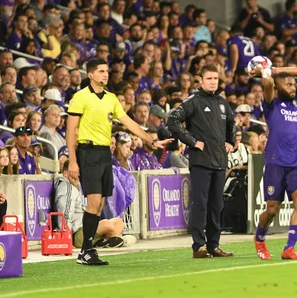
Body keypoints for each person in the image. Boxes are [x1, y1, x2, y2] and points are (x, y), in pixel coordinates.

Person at [66, 58, 171, 266]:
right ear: (91, 75)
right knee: (94, 202)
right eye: (101, 71)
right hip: (88, 151)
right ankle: (86, 251)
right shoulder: (80, 97)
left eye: (106, 71)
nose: (105, 74)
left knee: (101, 203)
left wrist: (151, 139)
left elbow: (129, 122)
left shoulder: (111, 98)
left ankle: (88, 249)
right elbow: (70, 131)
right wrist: (72, 161)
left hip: (105, 151)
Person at [167, 64, 236, 259]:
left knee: (217, 205)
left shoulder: (223, 103)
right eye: (209, 78)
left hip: (220, 161)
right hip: (201, 162)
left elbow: (232, 124)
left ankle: (214, 245)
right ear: (201, 80)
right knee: (200, 204)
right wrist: (192, 142)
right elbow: (172, 120)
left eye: (215, 78)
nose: (213, 81)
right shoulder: (193, 101)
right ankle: (199, 247)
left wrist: (230, 142)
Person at [251, 65, 297, 261]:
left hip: (296, 163)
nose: (293, 88)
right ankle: (260, 238)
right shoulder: (272, 104)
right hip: (275, 163)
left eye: (294, 84)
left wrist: (277, 68)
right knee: (272, 209)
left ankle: (289, 248)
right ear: (278, 87)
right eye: (288, 85)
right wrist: (268, 72)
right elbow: (267, 83)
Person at [55, 160, 135, 250]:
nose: (78, 175)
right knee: (106, 224)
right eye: (75, 172)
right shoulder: (67, 188)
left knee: (118, 222)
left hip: (83, 229)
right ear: (65, 173)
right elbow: (64, 214)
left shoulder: (74, 187)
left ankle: (100, 242)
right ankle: (106, 241)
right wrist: (66, 240)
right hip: (77, 234)